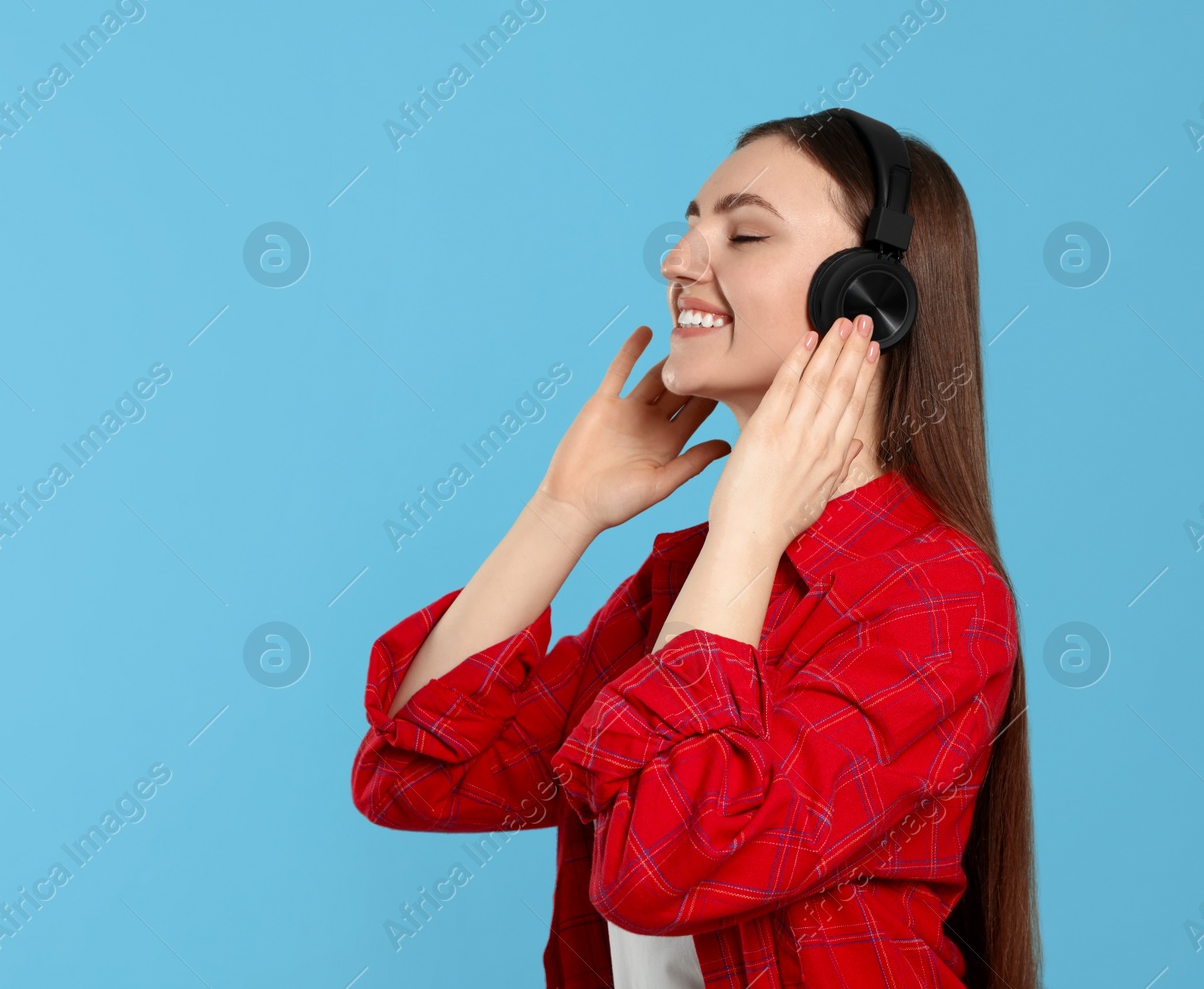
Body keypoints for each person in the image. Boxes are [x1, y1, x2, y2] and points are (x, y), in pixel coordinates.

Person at [350, 111, 1041, 989]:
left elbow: (667, 865)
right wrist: (562, 510)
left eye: (744, 233)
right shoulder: (687, 580)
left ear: (868, 295)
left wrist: (749, 531)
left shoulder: (936, 598)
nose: (677, 262)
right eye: (688, 228)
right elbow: (420, 768)